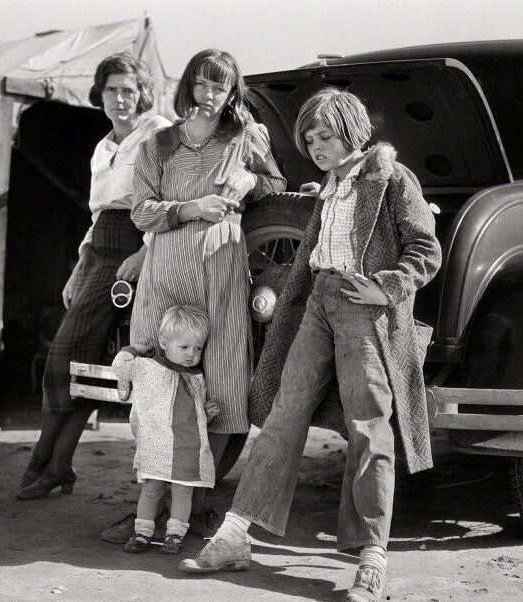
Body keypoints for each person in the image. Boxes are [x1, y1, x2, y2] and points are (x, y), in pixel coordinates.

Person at [180, 88, 442, 602]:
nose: (315, 146)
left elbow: (426, 249)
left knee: (369, 424)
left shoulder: (393, 178)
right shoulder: (329, 185)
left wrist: (386, 285)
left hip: (363, 306)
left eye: (324, 136)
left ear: (351, 130)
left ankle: (372, 557)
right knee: (282, 414)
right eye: (309, 139)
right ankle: (235, 536)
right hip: (317, 303)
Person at [111, 48, 286, 537]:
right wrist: (192, 207)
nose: (209, 96)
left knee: (223, 377)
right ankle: (149, 508)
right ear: (187, 86)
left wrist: (249, 177)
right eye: (202, 85)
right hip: (166, 268)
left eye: (221, 87)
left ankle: (196, 505)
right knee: (157, 377)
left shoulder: (243, 136)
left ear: (233, 93)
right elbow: (141, 212)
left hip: (221, 268)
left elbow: (275, 182)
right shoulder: (159, 143)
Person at [16, 53, 171, 499]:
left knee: (66, 358)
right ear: (99, 95)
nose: (120, 99)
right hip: (99, 250)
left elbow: (167, 201)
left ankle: (45, 464)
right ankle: (56, 465)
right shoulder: (102, 148)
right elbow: (98, 215)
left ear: (142, 93)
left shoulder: (157, 133)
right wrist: (79, 268)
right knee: (79, 364)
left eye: (129, 90)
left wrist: (145, 253)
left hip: (133, 246)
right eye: (112, 90)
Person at [112, 305, 220, 554]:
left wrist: (208, 414)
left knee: (184, 493)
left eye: (198, 348)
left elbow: (195, 419)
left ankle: (175, 535)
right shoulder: (147, 367)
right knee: (151, 490)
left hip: (187, 449)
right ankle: (142, 533)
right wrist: (134, 349)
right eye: (184, 347)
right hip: (156, 445)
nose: (192, 354)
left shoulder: (196, 378)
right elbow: (120, 368)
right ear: (164, 341)